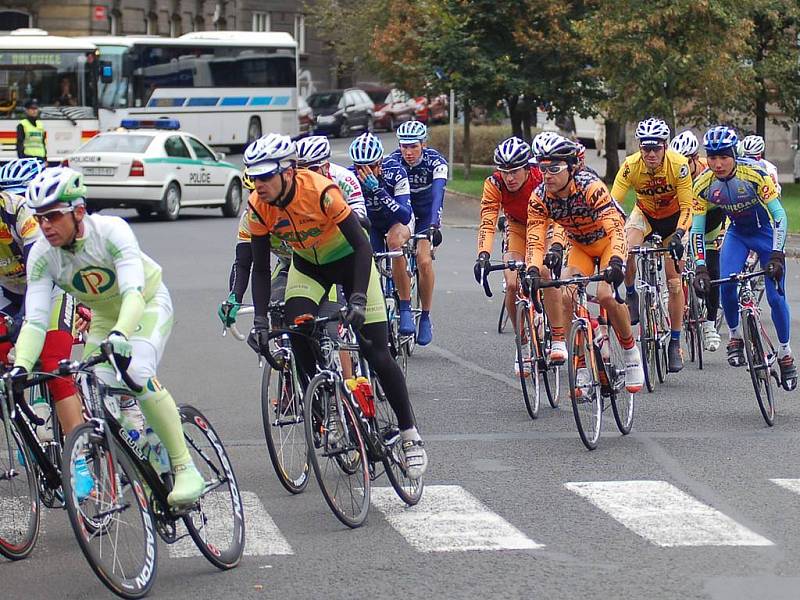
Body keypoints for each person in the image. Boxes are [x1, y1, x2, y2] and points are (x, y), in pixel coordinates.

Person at [12, 166, 206, 506]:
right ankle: (141, 448)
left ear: (79, 211)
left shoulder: (112, 231)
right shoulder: (42, 254)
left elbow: (133, 292)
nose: (45, 226)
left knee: (136, 372)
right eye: (40, 217)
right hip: (103, 316)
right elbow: (36, 319)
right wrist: (23, 366)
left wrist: (121, 333)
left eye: (54, 216)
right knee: (92, 390)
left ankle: (184, 466)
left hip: (145, 304)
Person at [243, 134, 427, 479]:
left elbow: (361, 245)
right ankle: (327, 404)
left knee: (376, 350)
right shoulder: (258, 204)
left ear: (288, 171)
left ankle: (409, 435)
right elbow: (261, 266)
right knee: (298, 328)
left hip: (350, 262)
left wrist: (357, 299)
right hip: (308, 269)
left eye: (265, 175)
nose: (259, 183)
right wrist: (261, 321)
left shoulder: (321, 190)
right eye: (254, 176)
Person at [525, 134, 644, 394]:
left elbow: (615, 228)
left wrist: (616, 262)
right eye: (542, 168)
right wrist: (533, 269)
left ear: (571, 167)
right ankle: (579, 368)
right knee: (567, 295)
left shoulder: (590, 186)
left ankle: (630, 350)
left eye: (554, 168)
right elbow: (535, 239)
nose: (547, 175)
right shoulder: (540, 197)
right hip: (580, 246)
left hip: (607, 243)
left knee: (604, 295)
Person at [0, 158, 91, 490]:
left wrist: (23, 328)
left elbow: (39, 269)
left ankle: (79, 459)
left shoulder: (18, 210)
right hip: (8, 291)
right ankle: (27, 428)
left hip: (50, 288)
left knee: (53, 364)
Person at [692, 126, 796, 391]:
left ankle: (785, 352)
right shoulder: (703, 184)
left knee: (775, 296)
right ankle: (735, 336)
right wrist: (701, 267)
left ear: (734, 154)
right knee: (726, 283)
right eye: (712, 157)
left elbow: (780, 216)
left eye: (723, 157)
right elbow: (696, 229)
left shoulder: (756, 174)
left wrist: (777, 253)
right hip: (737, 235)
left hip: (765, 236)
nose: (717, 163)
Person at [475, 137, 563, 374]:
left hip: (546, 224)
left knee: (544, 272)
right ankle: (522, 342)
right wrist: (482, 254)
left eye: (514, 171)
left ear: (527, 168)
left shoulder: (540, 177)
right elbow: (488, 219)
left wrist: (555, 246)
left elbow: (558, 213)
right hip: (516, 227)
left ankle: (557, 337)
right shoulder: (494, 183)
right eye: (504, 172)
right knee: (512, 283)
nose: (509, 178)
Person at [611, 117, 692, 373]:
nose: (651, 153)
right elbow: (613, 204)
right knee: (625, 248)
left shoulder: (679, 165)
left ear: (665, 145)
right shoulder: (630, 166)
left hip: (673, 222)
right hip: (644, 215)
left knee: (673, 281)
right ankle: (632, 293)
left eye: (656, 148)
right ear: (640, 147)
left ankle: (675, 342)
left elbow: (688, 207)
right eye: (646, 148)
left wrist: (679, 234)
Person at [348, 132, 414, 334]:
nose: (365, 172)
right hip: (372, 224)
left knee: (394, 243)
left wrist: (379, 191)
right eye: (360, 167)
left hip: (397, 220)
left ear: (381, 162)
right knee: (365, 256)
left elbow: (404, 215)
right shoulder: (349, 177)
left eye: (371, 166)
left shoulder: (396, 172)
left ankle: (405, 307)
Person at [388, 120, 447, 346]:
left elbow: (438, 196)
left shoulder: (436, 162)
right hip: (404, 213)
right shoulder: (392, 162)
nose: (408, 152)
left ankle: (425, 315)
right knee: (394, 249)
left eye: (413, 146)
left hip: (426, 215)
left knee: (423, 261)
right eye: (404, 146)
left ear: (423, 144)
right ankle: (403, 307)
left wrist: (433, 225)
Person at [670, 130, 722, 351]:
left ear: (694, 159)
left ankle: (710, 324)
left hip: (711, 218)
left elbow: (725, 208)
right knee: (675, 257)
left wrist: (721, 233)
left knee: (712, 270)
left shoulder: (710, 172)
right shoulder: (673, 173)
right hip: (685, 217)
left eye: (685, 162)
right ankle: (672, 293)